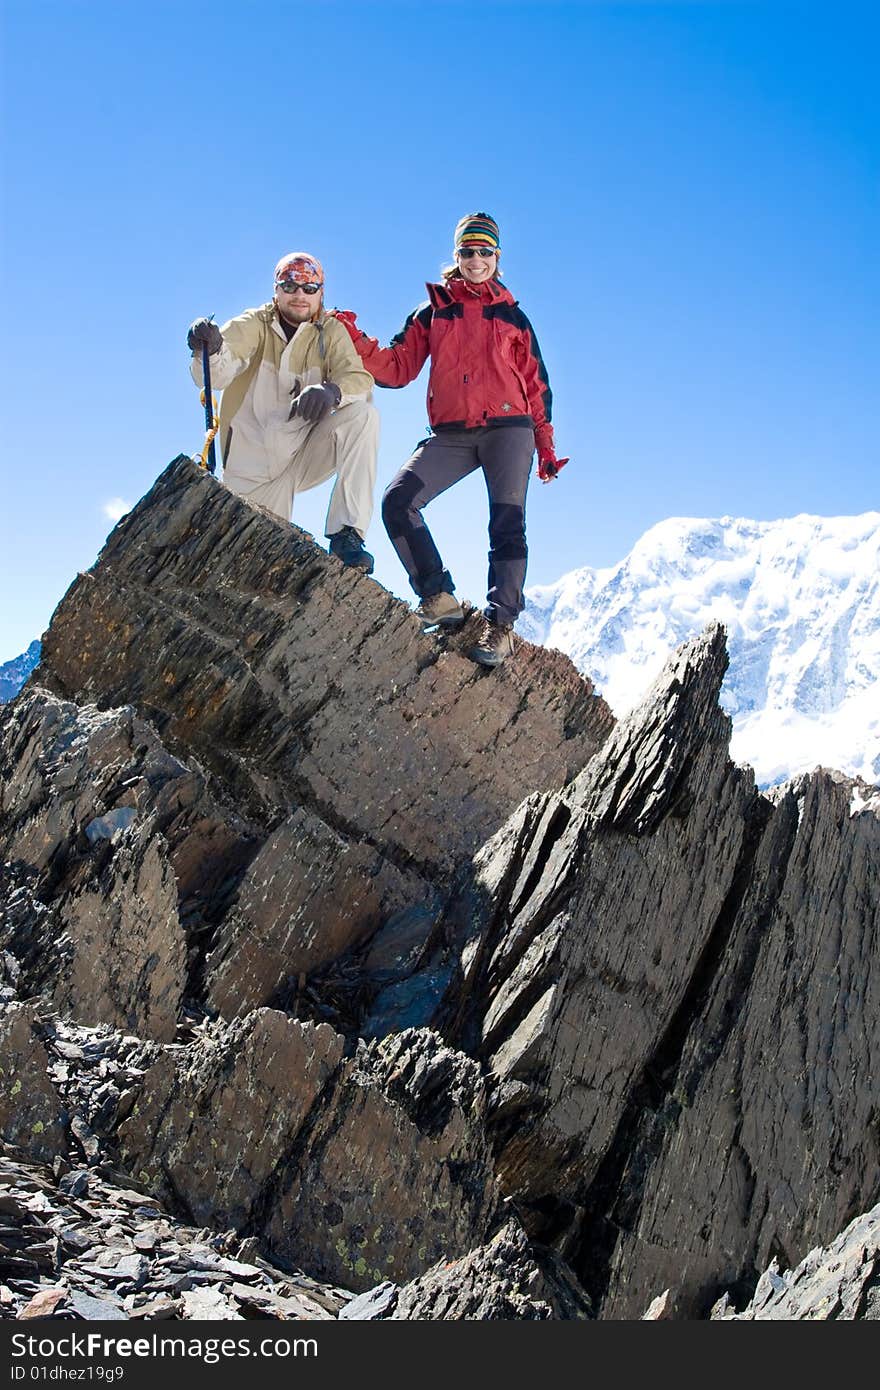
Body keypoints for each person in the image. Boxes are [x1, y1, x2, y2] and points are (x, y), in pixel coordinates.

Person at [333, 213, 568, 664]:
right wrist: (355, 339)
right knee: (398, 501)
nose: (476, 260)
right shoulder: (433, 312)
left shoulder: (513, 316)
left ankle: (501, 629)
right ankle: (439, 599)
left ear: (497, 259)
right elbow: (398, 368)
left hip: (509, 428)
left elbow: (537, 383)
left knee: (506, 523)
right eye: (467, 252)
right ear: (455, 256)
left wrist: (546, 445)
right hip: (453, 433)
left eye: (485, 252)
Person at [187, 252, 379, 571]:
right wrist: (207, 348)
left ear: (321, 293)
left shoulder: (330, 332)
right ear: (276, 290)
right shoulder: (255, 323)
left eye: (309, 287)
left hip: (300, 460)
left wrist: (333, 391)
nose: (299, 295)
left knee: (364, 416)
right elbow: (213, 376)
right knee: (245, 568)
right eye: (290, 286)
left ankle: (346, 535)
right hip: (249, 474)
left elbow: (359, 380)